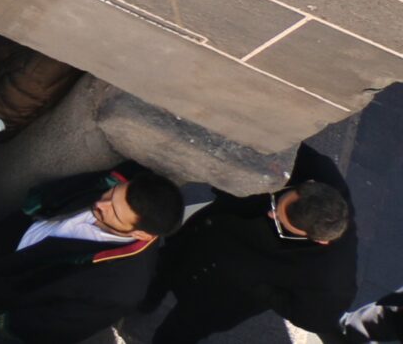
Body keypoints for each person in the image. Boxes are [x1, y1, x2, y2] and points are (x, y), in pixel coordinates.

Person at [0, 168, 183, 344]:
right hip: (14, 238)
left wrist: (5, 323)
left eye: (114, 212)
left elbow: (60, 324)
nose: (101, 203)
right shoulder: (121, 183)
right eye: (112, 194)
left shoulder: (121, 288)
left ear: (143, 235)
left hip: (15, 286)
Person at [147, 146, 354, 344]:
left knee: (179, 332)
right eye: (277, 202)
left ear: (317, 240)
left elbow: (316, 319)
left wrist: (261, 287)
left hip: (217, 293)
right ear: (309, 184)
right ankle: (147, 300)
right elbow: (285, 146)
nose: (270, 213)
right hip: (202, 233)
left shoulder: (331, 277)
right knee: (161, 270)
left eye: (280, 223)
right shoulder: (322, 172)